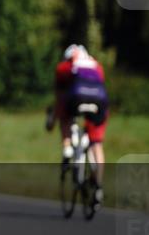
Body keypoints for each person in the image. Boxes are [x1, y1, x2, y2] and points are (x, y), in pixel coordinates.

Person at [47, 44, 109, 204]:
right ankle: (99, 183)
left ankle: (67, 148)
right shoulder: (96, 66)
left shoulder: (65, 66)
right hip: (99, 104)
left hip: (76, 100)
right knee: (96, 145)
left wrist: (52, 120)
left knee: (66, 116)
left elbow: (58, 98)